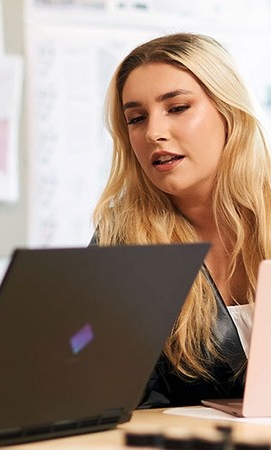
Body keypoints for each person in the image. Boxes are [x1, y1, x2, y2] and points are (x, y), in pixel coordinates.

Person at [91, 32, 271, 407]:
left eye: (177, 108)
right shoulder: (121, 242)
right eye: (136, 118)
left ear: (229, 111)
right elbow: (100, 390)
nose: (154, 133)